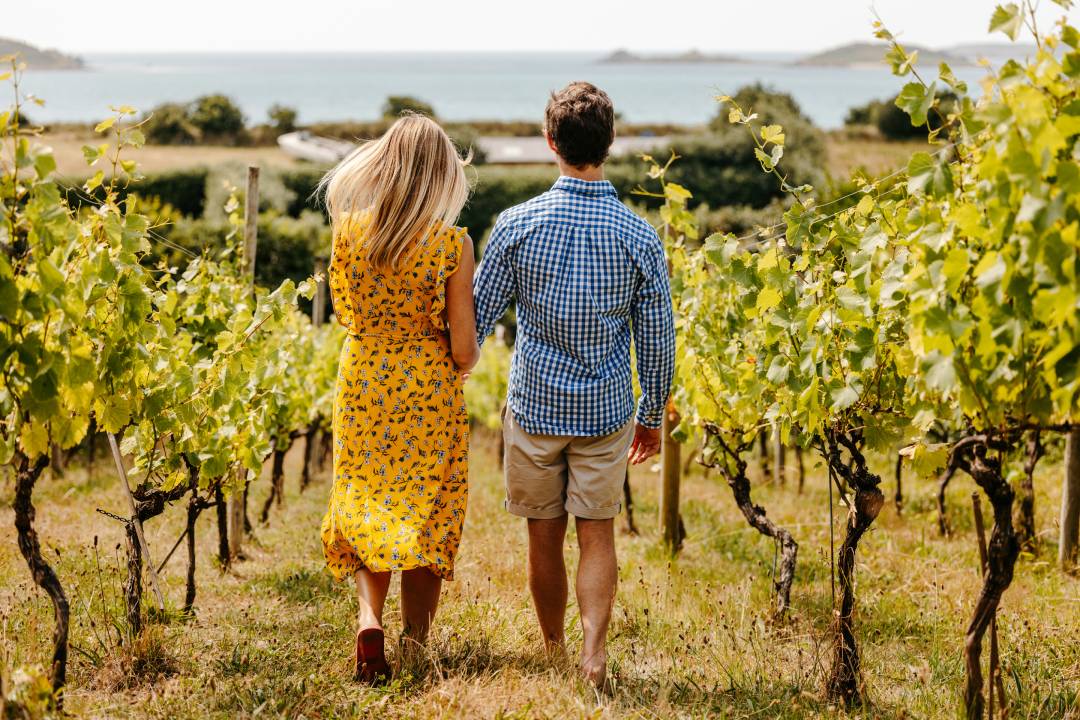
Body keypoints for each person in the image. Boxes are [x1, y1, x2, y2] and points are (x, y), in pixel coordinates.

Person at [472, 81, 676, 688]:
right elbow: (658, 341)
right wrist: (652, 416)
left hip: (534, 410)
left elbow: (477, 321)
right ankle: (593, 652)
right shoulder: (640, 237)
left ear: (549, 141)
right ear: (609, 143)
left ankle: (554, 646)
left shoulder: (516, 225)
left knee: (543, 536)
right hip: (607, 412)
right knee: (597, 533)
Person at [318, 113, 479, 684]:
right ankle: (416, 642)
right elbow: (464, 350)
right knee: (427, 507)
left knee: (367, 500)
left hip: (363, 377)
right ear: (440, 176)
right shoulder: (451, 245)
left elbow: (344, 314)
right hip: (426, 385)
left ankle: (369, 618)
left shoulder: (348, 233)